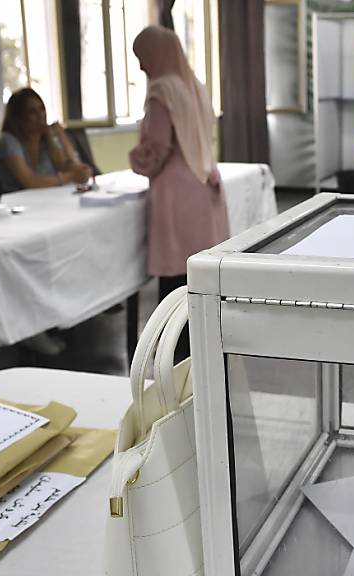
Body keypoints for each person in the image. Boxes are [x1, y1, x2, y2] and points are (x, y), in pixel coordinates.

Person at [128, 26, 230, 360]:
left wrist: (136, 160)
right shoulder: (195, 86)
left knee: (175, 278)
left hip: (176, 192)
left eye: (143, 58)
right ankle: (203, 344)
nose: (142, 67)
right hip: (204, 181)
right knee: (198, 275)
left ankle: (175, 353)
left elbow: (155, 148)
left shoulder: (161, 91)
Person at [0, 88, 92, 193]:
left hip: (43, 202)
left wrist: (62, 138)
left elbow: (74, 169)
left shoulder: (47, 139)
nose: (41, 115)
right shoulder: (8, 141)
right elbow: (30, 182)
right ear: (19, 118)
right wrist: (70, 177)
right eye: (32, 112)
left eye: (42, 109)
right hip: (12, 205)